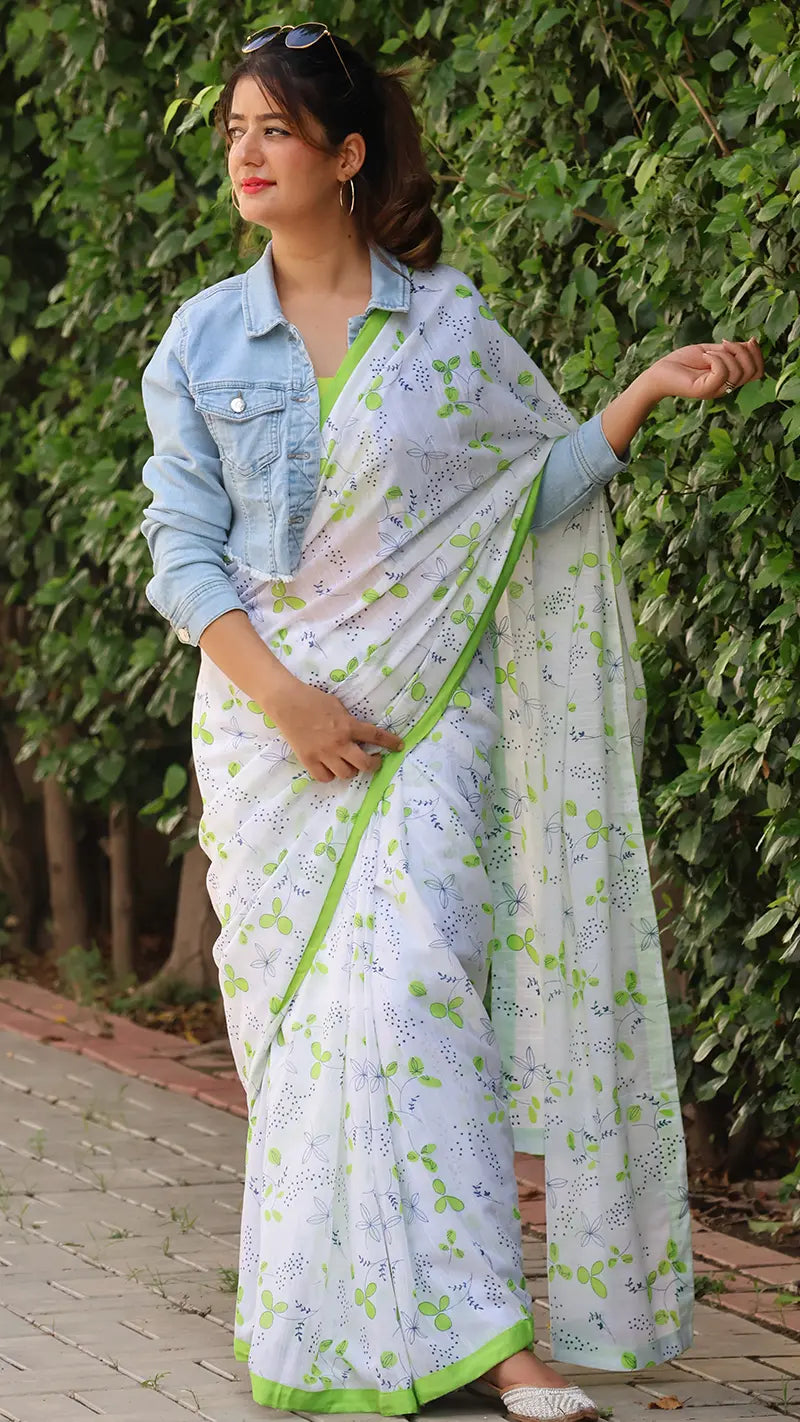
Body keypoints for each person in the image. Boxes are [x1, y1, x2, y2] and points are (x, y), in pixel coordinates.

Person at [139, 23, 764, 1422]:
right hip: (269, 735)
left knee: (418, 1004)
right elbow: (182, 553)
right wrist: (288, 702)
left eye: (276, 130)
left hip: (426, 721)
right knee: (312, 1040)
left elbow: (518, 501)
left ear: (347, 155)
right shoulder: (203, 338)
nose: (246, 153)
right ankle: (338, 1329)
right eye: (235, 130)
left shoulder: (446, 329)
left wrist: (640, 397)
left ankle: (492, 1342)